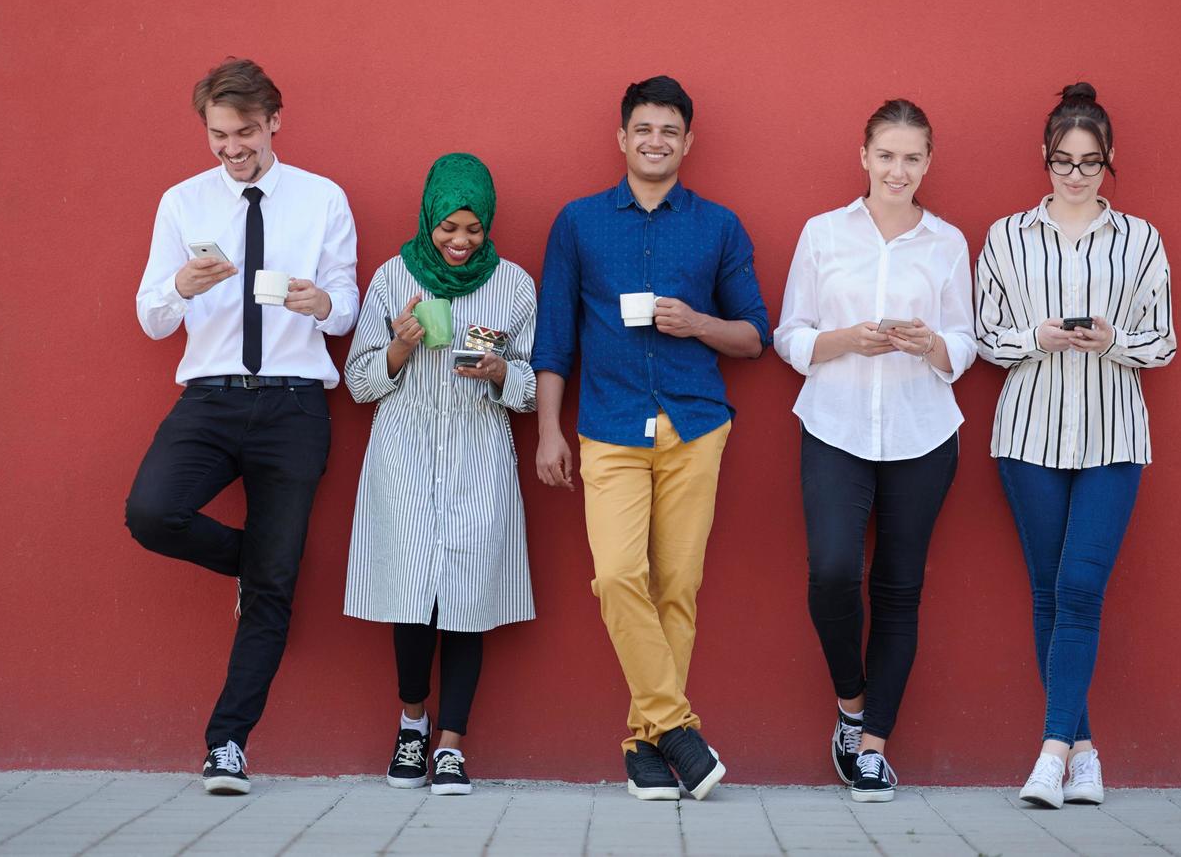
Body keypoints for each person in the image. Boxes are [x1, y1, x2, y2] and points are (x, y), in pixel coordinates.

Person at [531, 76, 769, 801]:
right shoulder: (577, 223)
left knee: (680, 586)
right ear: (622, 137)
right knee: (616, 576)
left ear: (687, 141)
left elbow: (755, 336)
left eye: (669, 130)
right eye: (643, 129)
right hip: (607, 427)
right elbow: (553, 339)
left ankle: (644, 744)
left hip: (696, 424)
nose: (655, 141)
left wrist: (695, 322)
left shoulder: (720, 226)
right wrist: (548, 432)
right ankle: (678, 728)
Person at [125, 58, 359, 795]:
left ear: (275, 121)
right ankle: (253, 563)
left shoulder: (322, 200)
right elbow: (150, 316)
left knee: (273, 591)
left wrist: (319, 303)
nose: (232, 149)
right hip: (211, 397)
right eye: (220, 135)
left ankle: (227, 744)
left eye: (246, 133)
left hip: (293, 404)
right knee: (152, 512)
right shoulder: (182, 202)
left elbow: (349, 306)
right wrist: (177, 287)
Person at [974, 82, 1177, 808]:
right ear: (1044, 157)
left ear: (1109, 160)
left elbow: (1164, 344)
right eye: (1064, 161)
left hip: (1115, 434)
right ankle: (1084, 753)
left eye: (1090, 162)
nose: (1076, 175)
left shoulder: (1141, 240)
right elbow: (987, 340)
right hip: (1028, 432)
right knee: (1049, 593)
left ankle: (1051, 752)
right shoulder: (1005, 236)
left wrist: (1113, 339)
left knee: (1081, 587)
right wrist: (1040, 336)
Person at [773, 99, 976, 803]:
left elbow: (966, 343)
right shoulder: (823, 234)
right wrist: (844, 341)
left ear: (928, 163)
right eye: (886, 155)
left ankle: (873, 748)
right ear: (863, 157)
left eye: (912, 158)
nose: (898, 170)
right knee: (831, 571)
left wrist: (933, 345)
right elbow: (790, 333)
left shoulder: (948, 243)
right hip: (836, 425)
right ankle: (851, 705)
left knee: (898, 588)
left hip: (923, 434)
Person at [342, 153, 536, 797]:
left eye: (473, 229)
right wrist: (398, 346)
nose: (459, 242)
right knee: (412, 592)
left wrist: (502, 374)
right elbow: (360, 383)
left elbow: (535, 388)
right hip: (405, 448)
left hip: (480, 448)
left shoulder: (514, 285)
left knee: (468, 597)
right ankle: (412, 723)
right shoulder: (392, 277)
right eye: (448, 228)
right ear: (428, 219)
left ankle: (451, 744)